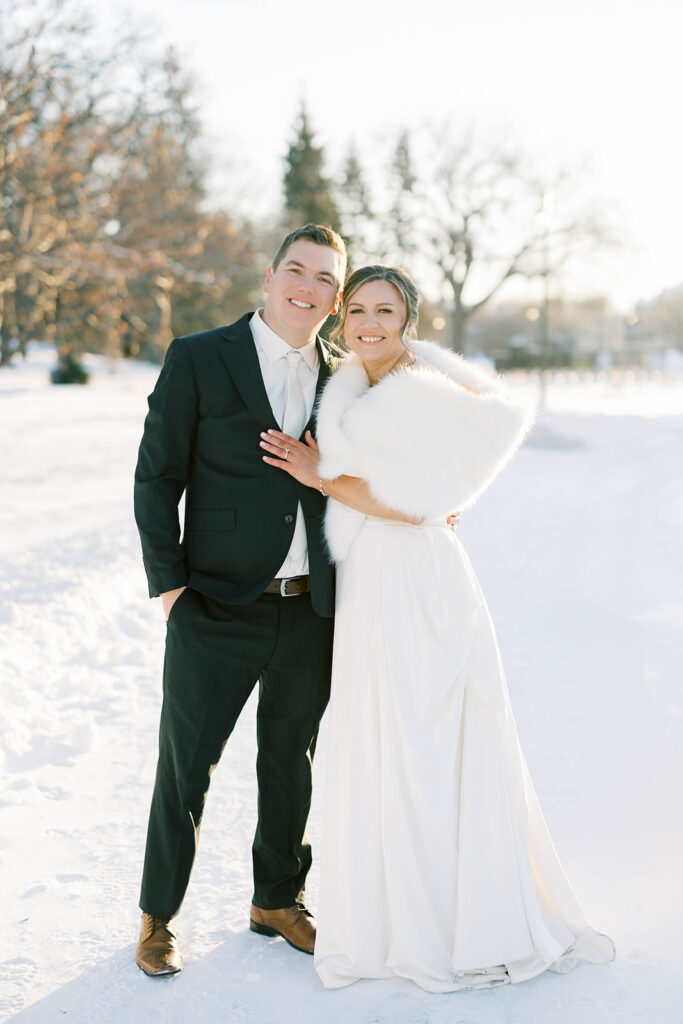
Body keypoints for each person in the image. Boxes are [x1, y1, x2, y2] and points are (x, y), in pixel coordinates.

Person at [259, 264, 616, 993]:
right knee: (385, 739)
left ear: (408, 321)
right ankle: (397, 911)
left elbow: (417, 502)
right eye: (356, 309)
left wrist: (318, 474)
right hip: (371, 580)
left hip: (415, 582)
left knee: (427, 741)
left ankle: (454, 920)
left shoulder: (415, 389)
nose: (366, 322)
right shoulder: (357, 380)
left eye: (383, 311)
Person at [132, 224, 348, 976]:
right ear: (268, 276)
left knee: (291, 760)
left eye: (325, 278)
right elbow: (156, 476)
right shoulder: (198, 357)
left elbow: (374, 474)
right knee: (185, 766)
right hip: (214, 605)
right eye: (297, 270)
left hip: (310, 606)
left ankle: (277, 900)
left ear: (336, 296)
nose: (307, 287)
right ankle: (157, 916)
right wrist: (169, 586)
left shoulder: (346, 375)